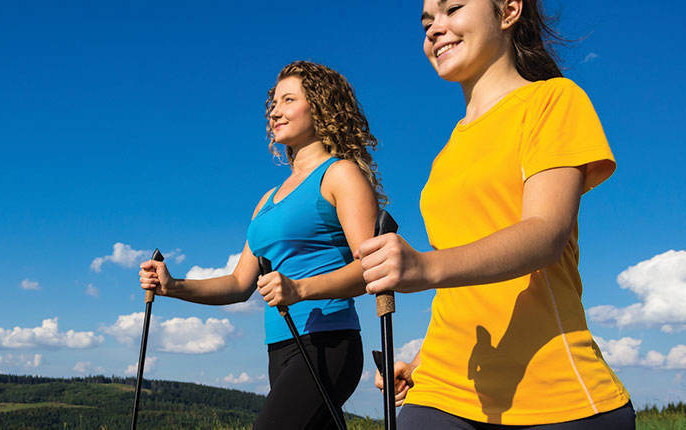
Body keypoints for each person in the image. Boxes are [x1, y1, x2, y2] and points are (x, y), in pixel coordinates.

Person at [358, 0, 636, 428]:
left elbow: (546, 234)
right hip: (443, 387)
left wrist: (422, 266)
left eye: (452, 9)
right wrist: (419, 360)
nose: (435, 29)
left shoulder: (553, 100)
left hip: (553, 398)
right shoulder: (446, 154)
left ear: (508, 11)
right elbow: (457, 283)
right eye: (428, 21)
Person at [139, 60, 383, 429]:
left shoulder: (340, 174)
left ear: (320, 107)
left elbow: (372, 268)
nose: (275, 111)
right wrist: (173, 286)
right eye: (273, 103)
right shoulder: (267, 200)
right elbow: (239, 284)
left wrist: (300, 288)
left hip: (327, 342)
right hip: (280, 348)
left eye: (288, 100)